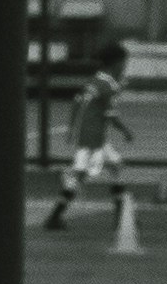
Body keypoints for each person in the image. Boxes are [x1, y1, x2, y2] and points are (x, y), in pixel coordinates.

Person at [39, 36, 131, 234]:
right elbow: (110, 114)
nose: (125, 66)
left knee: (115, 166)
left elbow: (80, 105)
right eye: (124, 62)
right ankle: (54, 217)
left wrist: (74, 132)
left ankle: (122, 218)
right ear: (117, 63)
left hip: (89, 135)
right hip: (93, 138)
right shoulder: (109, 85)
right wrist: (125, 131)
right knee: (80, 176)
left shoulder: (95, 80)